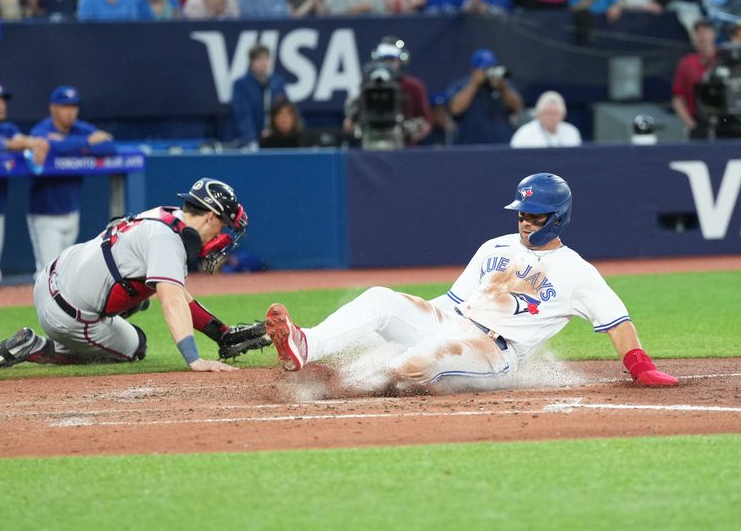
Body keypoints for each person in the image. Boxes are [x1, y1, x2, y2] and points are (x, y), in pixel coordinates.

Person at [263, 172, 679, 391]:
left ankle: (347, 385)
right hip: (454, 321)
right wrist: (403, 319)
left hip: (494, 352)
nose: (524, 221)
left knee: (416, 361)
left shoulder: (577, 272)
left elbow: (617, 322)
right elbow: (451, 300)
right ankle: (305, 347)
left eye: (534, 216)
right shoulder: (495, 246)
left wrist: (640, 367)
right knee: (379, 299)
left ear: (558, 218)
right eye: (521, 213)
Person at [0, 178, 270, 371]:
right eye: (224, 225)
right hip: (67, 316)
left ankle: (82, 326)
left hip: (52, 278)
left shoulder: (163, 215)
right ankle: (39, 347)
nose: (222, 235)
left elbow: (176, 292)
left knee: (141, 292)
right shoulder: (167, 240)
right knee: (136, 346)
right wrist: (194, 359)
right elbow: (172, 302)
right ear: (209, 216)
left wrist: (220, 332)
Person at [28, 85, 116, 278]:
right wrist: (85, 144)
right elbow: (42, 144)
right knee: (48, 272)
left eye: (73, 106)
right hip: (45, 213)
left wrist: (65, 145)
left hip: (72, 211)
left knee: (66, 273)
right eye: (64, 106)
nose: (70, 111)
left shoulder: (80, 129)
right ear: (53, 108)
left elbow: (109, 146)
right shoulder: (42, 128)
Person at [0, 82, 51, 284]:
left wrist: (32, 143)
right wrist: (26, 143)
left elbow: (23, 140)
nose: (1, 105)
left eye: (2, 101)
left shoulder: (8, 128)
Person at [346, 37, 432, 145]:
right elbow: (351, 120)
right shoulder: (366, 86)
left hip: (404, 147)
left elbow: (425, 122)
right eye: (383, 60)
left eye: (391, 61)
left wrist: (410, 130)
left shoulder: (413, 87)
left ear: (400, 61)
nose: (387, 65)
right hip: (371, 142)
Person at [447, 48, 524, 145]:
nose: (488, 72)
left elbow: (518, 107)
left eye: (491, 67)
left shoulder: (502, 85)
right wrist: (474, 83)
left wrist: (503, 88)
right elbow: (455, 109)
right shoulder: (461, 85)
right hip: (470, 146)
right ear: (473, 70)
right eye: (485, 69)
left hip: (501, 144)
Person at [230, 44, 287, 147]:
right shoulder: (241, 85)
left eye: (266, 59)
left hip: (275, 136)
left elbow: (285, 109)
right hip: (252, 137)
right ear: (251, 62)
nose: (263, 63)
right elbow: (243, 114)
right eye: (259, 59)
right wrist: (251, 140)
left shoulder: (277, 82)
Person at [671, 19, 719, 139]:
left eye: (706, 32)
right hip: (698, 123)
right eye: (698, 32)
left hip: (724, 123)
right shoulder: (686, 63)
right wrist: (691, 124)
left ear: (713, 34)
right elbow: (678, 98)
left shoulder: (725, 60)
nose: (702, 36)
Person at [510, 90, 582, 148]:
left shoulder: (572, 132)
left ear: (563, 115)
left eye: (555, 113)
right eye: (547, 113)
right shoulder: (524, 133)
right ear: (538, 115)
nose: (551, 117)